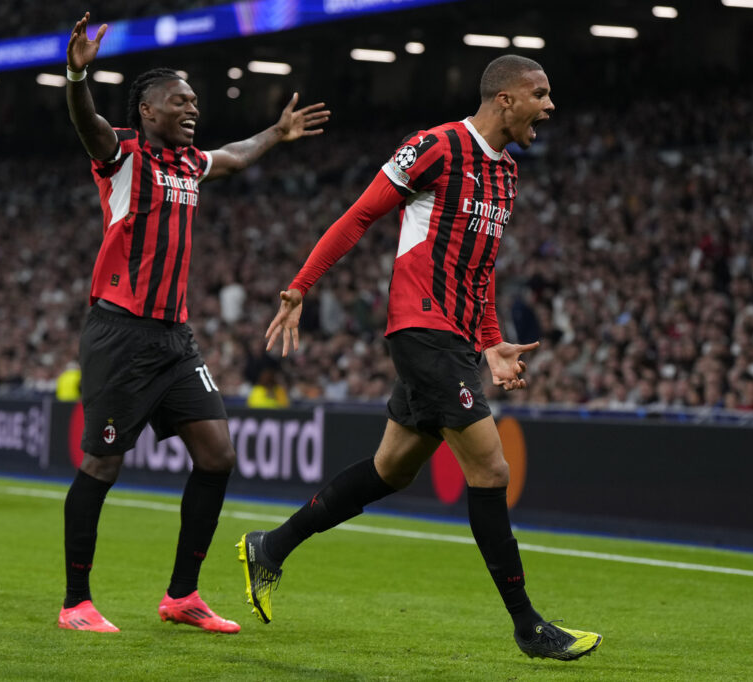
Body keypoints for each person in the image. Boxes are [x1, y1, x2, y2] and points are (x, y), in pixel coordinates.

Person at [238, 55, 601, 661]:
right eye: (539, 93)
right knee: (490, 472)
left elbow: (481, 270)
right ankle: (528, 626)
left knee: (391, 470)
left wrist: (490, 343)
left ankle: (269, 547)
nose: (550, 104)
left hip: (456, 339)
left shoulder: (507, 174)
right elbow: (360, 215)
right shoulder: (434, 146)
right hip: (421, 328)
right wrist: (302, 284)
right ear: (505, 100)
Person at [58, 12, 329, 633]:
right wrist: (77, 74)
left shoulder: (188, 165)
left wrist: (275, 133)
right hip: (120, 332)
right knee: (102, 466)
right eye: (179, 101)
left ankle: (182, 595)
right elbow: (86, 122)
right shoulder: (122, 155)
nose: (192, 109)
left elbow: (231, 157)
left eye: (195, 102)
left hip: (174, 338)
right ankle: (76, 601)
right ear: (148, 111)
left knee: (217, 455)